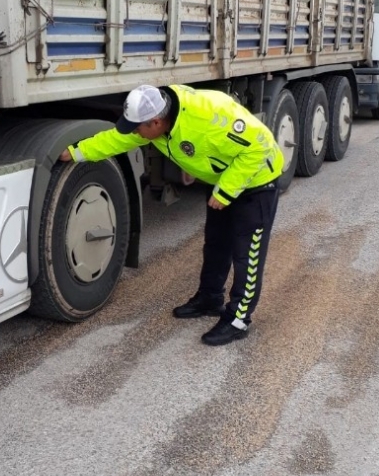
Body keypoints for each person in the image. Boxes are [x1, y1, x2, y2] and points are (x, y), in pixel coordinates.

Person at [59, 84, 284, 346]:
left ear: (155, 121)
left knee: (247, 254)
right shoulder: (158, 122)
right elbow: (116, 140)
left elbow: (259, 145)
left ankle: (239, 319)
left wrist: (225, 192)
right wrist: (75, 152)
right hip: (223, 179)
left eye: (138, 127)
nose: (134, 133)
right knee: (216, 245)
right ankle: (210, 298)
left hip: (257, 182)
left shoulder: (209, 117)